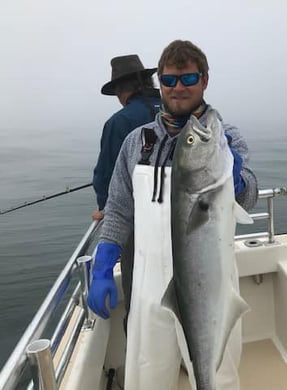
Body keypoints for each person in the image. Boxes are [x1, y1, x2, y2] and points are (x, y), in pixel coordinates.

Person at [87, 40, 258, 389]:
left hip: (210, 279)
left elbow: (250, 195)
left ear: (205, 80)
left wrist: (236, 178)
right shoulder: (137, 141)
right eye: (169, 80)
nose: (178, 87)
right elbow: (119, 207)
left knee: (218, 374)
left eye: (188, 77)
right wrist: (104, 260)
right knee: (146, 373)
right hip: (150, 284)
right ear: (159, 83)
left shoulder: (225, 138)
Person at [92, 54, 161, 221]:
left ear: (120, 91)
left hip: (137, 219)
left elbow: (106, 175)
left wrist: (104, 208)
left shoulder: (119, 122)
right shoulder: (174, 110)